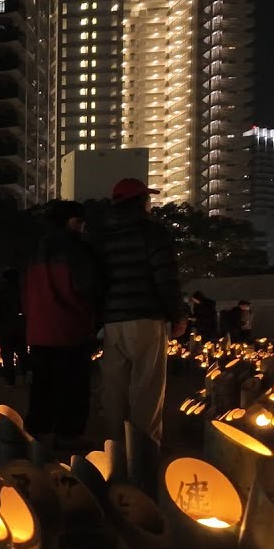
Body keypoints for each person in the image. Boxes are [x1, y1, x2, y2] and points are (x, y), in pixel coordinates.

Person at [96, 178, 186, 447]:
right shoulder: (153, 233)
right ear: (142, 203)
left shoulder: (104, 239)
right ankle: (143, 452)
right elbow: (166, 278)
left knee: (114, 388)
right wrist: (177, 314)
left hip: (112, 322)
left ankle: (116, 447)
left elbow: (98, 280)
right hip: (146, 318)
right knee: (146, 388)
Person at [23, 200, 99, 451]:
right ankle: (68, 437)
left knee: (42, 386)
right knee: (74, 387)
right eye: (81, 222)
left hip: (39, 330)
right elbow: (86, 287)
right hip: (70, 328)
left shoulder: (34, 249)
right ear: (72, 222)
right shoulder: (76, 249)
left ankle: (38, 436)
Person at [0, 269, 26, 387]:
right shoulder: (22, 292)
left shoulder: (1, 293)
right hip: (20, 326)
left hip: (5, 327)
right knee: (22, 354)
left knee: (7, 356)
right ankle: (27, 376)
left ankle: (10, 381)